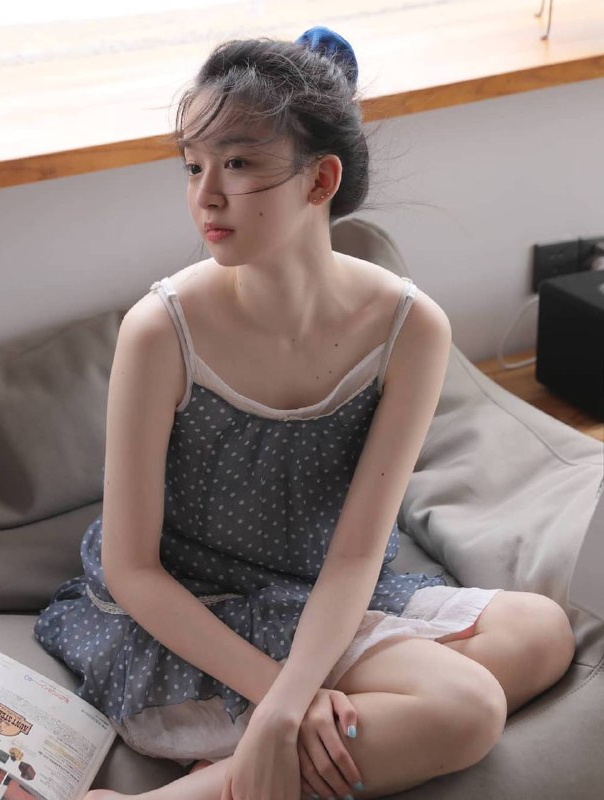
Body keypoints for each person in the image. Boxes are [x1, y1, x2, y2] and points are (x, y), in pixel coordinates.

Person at [34, 26, 576, 800]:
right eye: (193, 165)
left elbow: (356, 555)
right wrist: (282, 697)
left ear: (320, 181)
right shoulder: (160, 332)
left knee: (542, 632)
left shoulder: (409, 329)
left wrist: (291, 705)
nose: (206, 195)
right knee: (469, 708)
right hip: (194, 621)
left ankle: (230, 775)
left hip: (327, 601)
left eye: (238, 164)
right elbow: (132, 572)